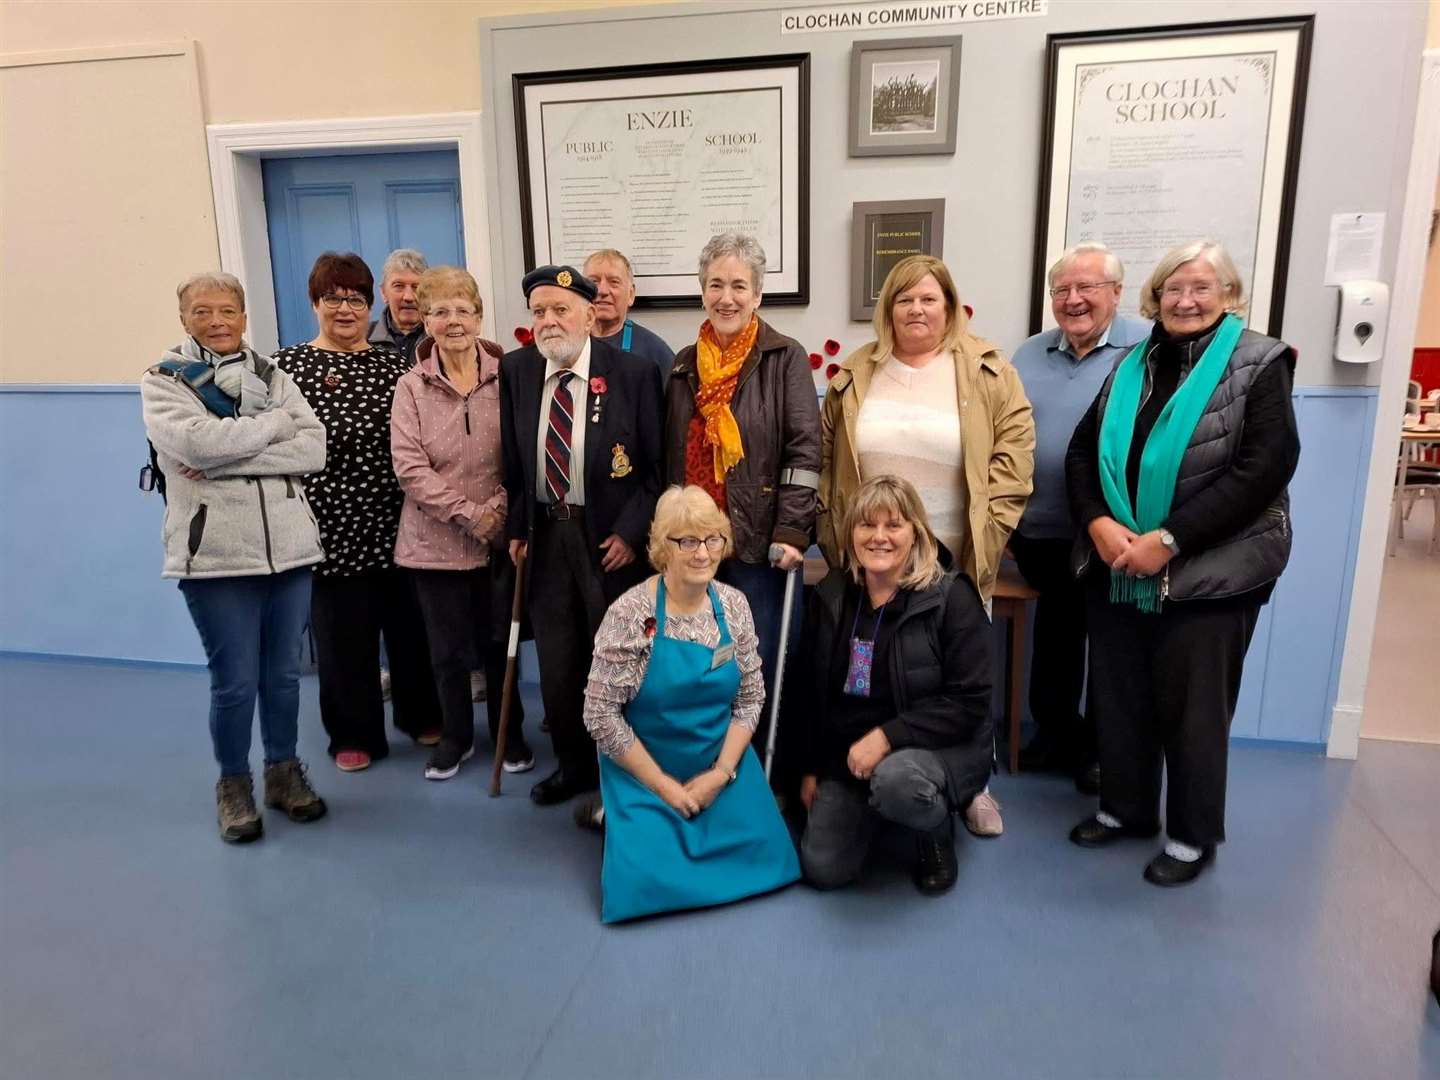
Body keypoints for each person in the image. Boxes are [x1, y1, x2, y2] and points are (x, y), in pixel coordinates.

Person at [1065, 239, 1300, 887]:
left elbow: (1263, 470)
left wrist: (1167, 539)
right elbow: (1082, 454)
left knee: (1193, 710)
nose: (1187, 300)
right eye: (1174, 288)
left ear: (1229, 297)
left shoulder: (1260, 362)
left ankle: (1193, 838)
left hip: (1212, 570)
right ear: (1155, 297)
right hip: (1116, 564)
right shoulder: (1131, 364)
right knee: (1119, 698)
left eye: (1202, 288)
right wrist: (1099, 524)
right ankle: (1125, 809)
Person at [818, 254, 1033, 837]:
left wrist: (992, 530)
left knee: (960, 674)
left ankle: (971, 785)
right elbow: (827, 458)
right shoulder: (858, 372)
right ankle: (881, 771)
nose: (916, 309)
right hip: (875, 554)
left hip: (956, 554)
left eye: (928, 298)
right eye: (904, 298)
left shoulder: (987, 370)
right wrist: (835, 534)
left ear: (950, 306)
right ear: (888, 308)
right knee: (881, 670)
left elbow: (1015, 458)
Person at [142, 272, 328, 842]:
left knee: (283, 677)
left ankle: (283, 771)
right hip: (216, 559)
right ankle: (233, 784)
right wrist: (272, 428)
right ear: (184, 319)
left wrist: (231, 451)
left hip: (291, 552)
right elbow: (195, 445)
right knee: (235, 681)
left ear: (245, 317)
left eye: (227, 310)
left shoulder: (274, 375)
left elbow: (313, 447)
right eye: (203, 311)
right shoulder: (164, 382)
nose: (217, 321)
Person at [582, 486, 800, 922]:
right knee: (644, 886)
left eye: (712, 539)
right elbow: (600, 716)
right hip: (648, 770)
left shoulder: (734, 605)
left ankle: (630, 824)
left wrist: (719, 775)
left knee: (773, 862)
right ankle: (618, 815)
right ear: (664, 547)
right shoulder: (630, 614)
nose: (702, 553)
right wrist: (666, 789)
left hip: (720, 762)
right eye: (687, 541)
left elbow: (750, 698)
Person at [500, 264, 664, 806]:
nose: (548, 322)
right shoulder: (519, 371)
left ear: (590, 316)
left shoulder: (635, 374)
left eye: (560, 310)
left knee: (618, 660)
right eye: (539, 312)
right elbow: (516, 463)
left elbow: (654, 470)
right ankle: (573, 767)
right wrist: (518, 525)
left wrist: (631, 534)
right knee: (558, 659)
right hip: (547, 538)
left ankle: (623, 770)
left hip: (609, 543)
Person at [275, 251, 441, 772]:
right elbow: (257, 433)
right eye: (333, 298)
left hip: (399, 520)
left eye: (355, 299)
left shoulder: (396, 366)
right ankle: (354, 733)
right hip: (328, 527)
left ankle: (420, 715)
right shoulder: (287, 367)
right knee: (344, 639)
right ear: (314, 302)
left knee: (411, 629)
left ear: (370, 304)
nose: (344, 309)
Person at [796, 476, 993, 895]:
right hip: (848, 754)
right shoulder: (832, 594)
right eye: (867, 525)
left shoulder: (950, 597)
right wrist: (811, 768)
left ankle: (935, 830)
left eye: (894, 525)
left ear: (917, 533)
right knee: (822, 867)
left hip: (931, 750)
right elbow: (809, 691)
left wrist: (886, 738)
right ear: (851, 535)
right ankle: (881, 811)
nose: (879, 537)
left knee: (898, 783)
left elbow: (969, 703)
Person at [665, 232, 820, 746]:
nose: (726, 297)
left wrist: (794, 530)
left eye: (738, 285)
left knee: (761, 658)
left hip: (759, 543)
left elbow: (804, 452)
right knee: (702, 660)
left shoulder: (784, 357)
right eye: (715, 285)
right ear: (702, 291)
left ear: (757, 295)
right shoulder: (685, 363)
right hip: (695, 542)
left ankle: (763, 769)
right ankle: (710, 762)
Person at [1010, 242, 1150, 793]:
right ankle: (1054, 735)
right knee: (1057, 636)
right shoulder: (1027, 354)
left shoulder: (1146, 348)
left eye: (1087, 288)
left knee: (1113, 644)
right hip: (1040, 530)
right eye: (1062, 290)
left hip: (1116, 531)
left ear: (1116, 292)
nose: (1073, 300)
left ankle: (1103, 750)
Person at [390, 266, 532, 781]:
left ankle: (507, 733)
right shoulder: (410, 387)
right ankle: (456, 737)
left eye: (463, 310)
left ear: (479, 315)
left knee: (500, 645)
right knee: (448, 654)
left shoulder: (510, 376)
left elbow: (522, 452)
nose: (454, 321)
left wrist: (498, 508)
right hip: (434, 544)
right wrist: (474, 516)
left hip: (499, 540)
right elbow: (410, 468)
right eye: (441, 311)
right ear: (425, 320)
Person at [583, 248, 675, 379]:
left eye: (614, 282)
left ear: (631, 294)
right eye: (593, 282)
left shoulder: (654, 352)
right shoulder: (569, 344)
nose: (602, 290)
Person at [368, 248, 428, 362]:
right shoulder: (363, 339)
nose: (408, 297)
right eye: (399, 286)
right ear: (383, 292)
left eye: (416, 287)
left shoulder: (440, 338)